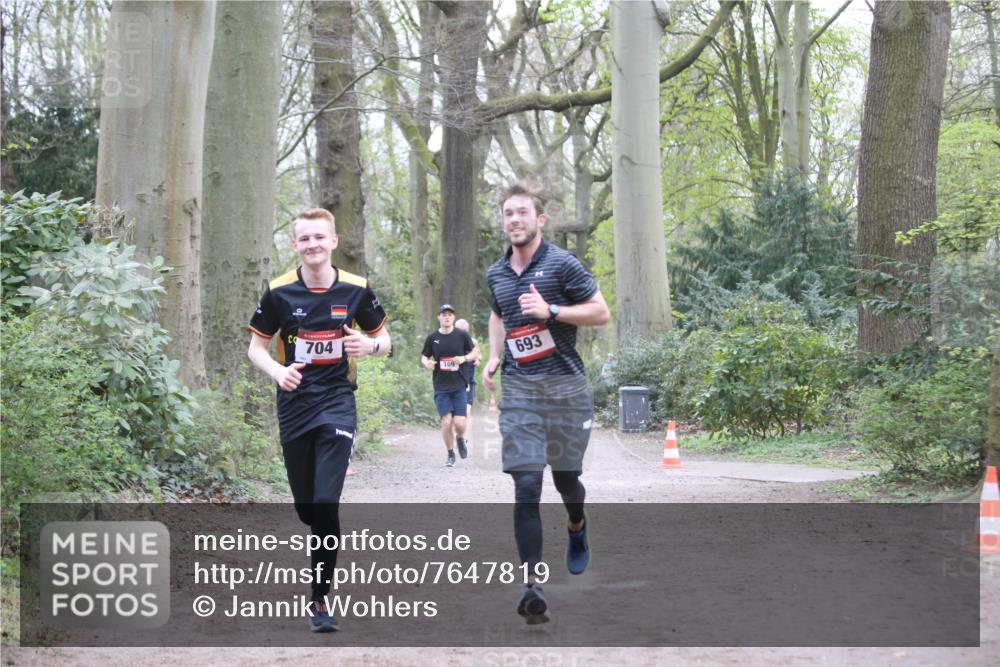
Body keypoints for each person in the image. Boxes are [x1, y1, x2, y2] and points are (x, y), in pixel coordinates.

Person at [247, 208, 391, 633]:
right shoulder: (277, 293)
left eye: (319, 238)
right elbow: (256, 348)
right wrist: (278, 371)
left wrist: (371, 347)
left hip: (337, 401)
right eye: (304, 239)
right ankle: (316, 527)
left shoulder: (356, 290)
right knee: (308, 509)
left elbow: (385, 337)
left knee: (326, 505)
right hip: (294, 404)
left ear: (333, 242)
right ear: (295, 246)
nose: (312, 245)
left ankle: (320, 599)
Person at [484, 180, 610, 624]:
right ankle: (532, 586)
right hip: (520, 394)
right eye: (507, 213)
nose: (514, 219)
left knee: (566, 482)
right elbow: (497, 313)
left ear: (539, 219)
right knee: (526, 486)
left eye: (522, 212)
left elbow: (600, 311)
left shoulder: (562, 265)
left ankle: (577, 525)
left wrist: (552, 312)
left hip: (566, 391)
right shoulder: (496, 273)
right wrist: (495, 355)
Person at [421, 305, 478, 466]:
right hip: (441, 386)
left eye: (450, 315)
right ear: (438, 317)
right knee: (446, 422)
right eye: (444, 314)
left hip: (459, 385)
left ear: (453, 318)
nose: (447, 317)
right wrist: (427, 363)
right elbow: (424, 356)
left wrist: (464, 359)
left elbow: (475, 353)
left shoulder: (462, 335)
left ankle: (460, 438)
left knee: (460, 423)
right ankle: (450, 454)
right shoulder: (432, 338)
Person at [455, 318, 479, 419]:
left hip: (468, 382)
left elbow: (478, 354)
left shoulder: (473, 342)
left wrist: (478, 360)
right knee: (455, 413)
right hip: (453, 382)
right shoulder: (450, 342)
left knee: (466, 412)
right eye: (459, 331)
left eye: (464, 331)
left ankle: (463, 434)